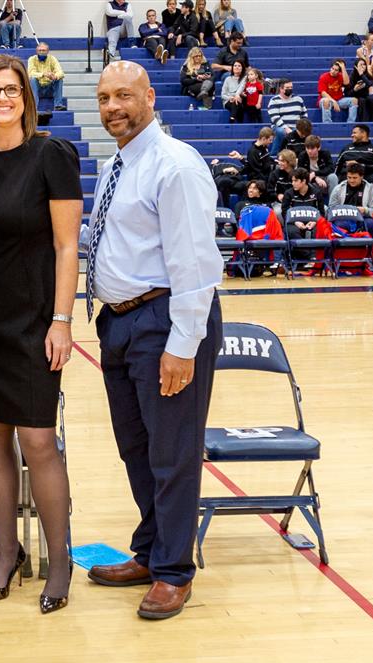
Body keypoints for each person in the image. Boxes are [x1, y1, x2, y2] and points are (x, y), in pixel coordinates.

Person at [84, 60, 222, 621]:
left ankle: (173, 572)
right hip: (120, 323)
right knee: (136, 450)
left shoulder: (175, 165)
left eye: (124, 95)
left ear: (149, 98)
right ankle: (150, 550)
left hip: (166, 321)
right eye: (103, 98)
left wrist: (183, 344)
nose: (113, 106)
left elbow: (194, 263)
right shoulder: (120, 162)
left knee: (171, 453)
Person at [0, 54, 82, 614]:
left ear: (25, 98)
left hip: (34, 320)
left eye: (11, 90)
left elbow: (66, 246)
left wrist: (62, 319)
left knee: (37, 442)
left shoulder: (52, 155)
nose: (1, 98)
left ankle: (60, 560)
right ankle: (7, 555)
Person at [266, 79, 308, 156]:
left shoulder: (298, 99)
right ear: (281, 89)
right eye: (287, 88)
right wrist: (286, 128)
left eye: (291, 87)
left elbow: (304, 114)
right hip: (280, 127)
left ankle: (297, 155)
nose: (290, 89)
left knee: (304, 131)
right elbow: (275, 118)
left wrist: (301, 127)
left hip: (296, 127)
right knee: (281, 132)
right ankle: (275, 154)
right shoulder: (274, 100)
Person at [27, 42, 66, 111]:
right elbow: (30, 73)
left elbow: (61, 72)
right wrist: (43, 74)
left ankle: (58, 105)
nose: (41, 52)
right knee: (33, 79)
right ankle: (33, 107)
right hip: (37, 89)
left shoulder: (52, 59)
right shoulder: (32, 59)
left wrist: (55, 76)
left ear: (48, 51)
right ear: (37, 51)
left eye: (44, 50)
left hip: (49, 89)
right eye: (40, 50)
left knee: (59, 79)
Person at [348, 58, 373, 122]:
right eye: (360, 65)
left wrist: (361, 75)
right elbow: (348, 93)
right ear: (356, 67)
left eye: (364, 64)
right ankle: (364, 122)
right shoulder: (352, 76)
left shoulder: (367, 75)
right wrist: (354, 90)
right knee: (362, 101)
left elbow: (370, 84)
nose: (362, 66)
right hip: (355, 97)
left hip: (365, 96)